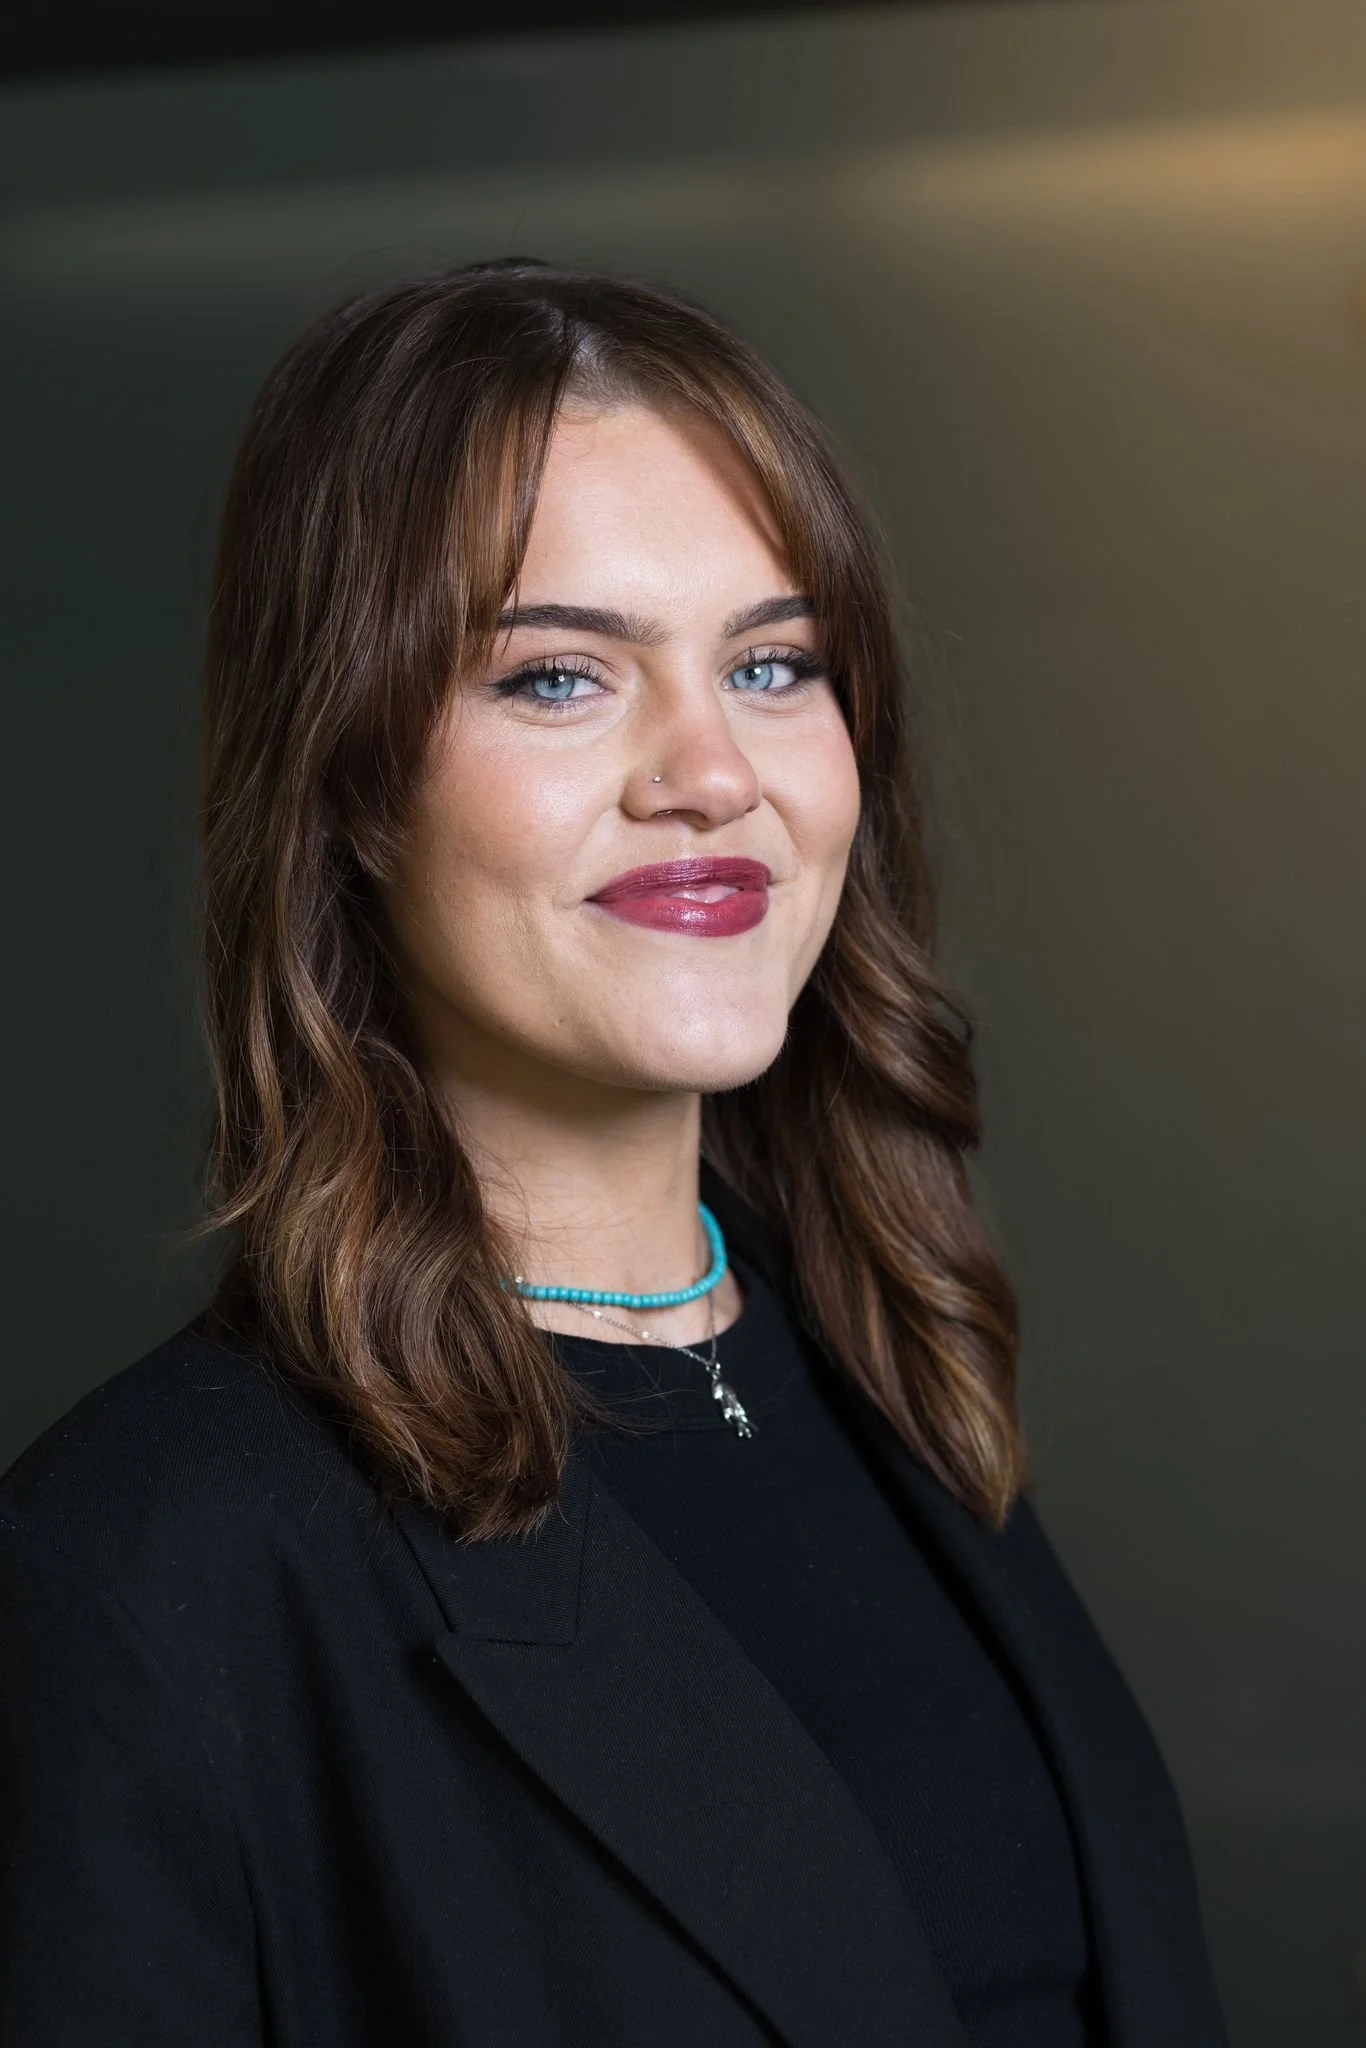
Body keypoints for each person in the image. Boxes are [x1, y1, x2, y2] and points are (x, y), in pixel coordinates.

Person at [0, 260, 1227, 2048]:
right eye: (562, 676)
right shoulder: (136, 1572)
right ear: (345, 785)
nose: (710, 771)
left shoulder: (897, 1384)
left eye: (772, 662)